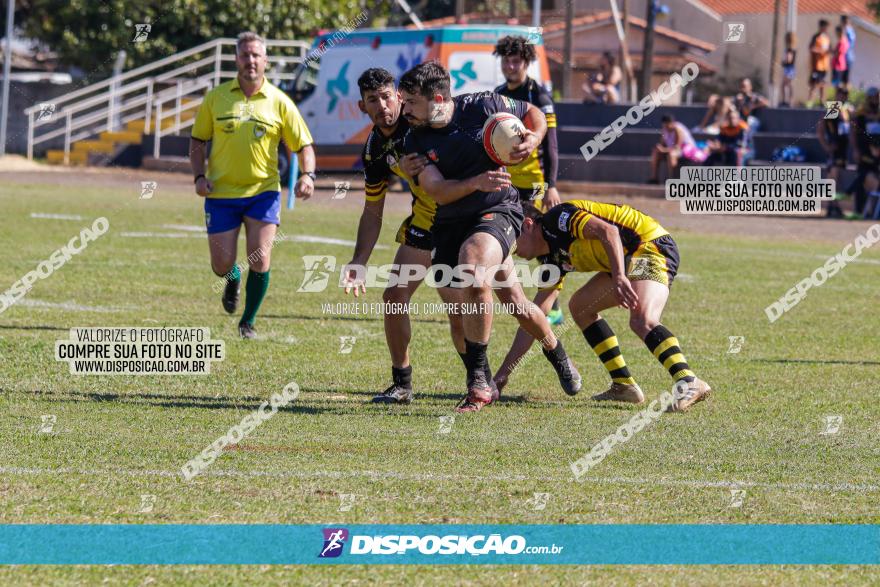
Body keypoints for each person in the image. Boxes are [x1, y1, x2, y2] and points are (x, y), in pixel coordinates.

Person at [399, 61, 582, 412]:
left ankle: (479, 383)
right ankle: (556, 352)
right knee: (500, 304)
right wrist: (474, 182)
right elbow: (436, 189)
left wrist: (534, 139)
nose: (405, 109)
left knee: (472, 268)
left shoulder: (484, 105)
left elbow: (534, 114)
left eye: (411, 102)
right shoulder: (414, 136)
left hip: (497, 209)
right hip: (450, 220)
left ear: (437, 99)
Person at [502, 200, 711, 413]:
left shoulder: (558, 219)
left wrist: (620, 277)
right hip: (624, 260)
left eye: (511, 235)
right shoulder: (548, 259)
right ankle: (624, 385)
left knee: (642, 319)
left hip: (648, 245)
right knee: (580, 307)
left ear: (528, 225)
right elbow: (532, 318)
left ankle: (688, 381)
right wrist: (501, 377)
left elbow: (609, 232)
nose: (510, 246)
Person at [341, 68, 464, 405]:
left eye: (386, 96)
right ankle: (402, 384)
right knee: (394, 297)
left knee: (462, 308)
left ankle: (487, 377)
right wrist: (359, 260)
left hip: (462, 221)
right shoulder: (374, 149)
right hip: (424, 223)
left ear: (398, 95)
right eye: (372, 100)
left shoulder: (423, 122)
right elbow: (372, 210)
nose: (382, 105)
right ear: (362, 107)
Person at [190, 32, 315, 339]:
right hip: (220, 194)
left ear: (265, 61)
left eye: (256, 55)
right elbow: (197, 141)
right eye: (245, 55)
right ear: (237, 59)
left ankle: (248, 321)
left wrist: (308, 176)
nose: (250, 60)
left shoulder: (279, 102)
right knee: (221, 264)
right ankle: (231, 277)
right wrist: (198, 176)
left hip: (263, 193)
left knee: (260, 258)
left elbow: (305, 145)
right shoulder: (216, 98)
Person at [492, 35, 565, 325]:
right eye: (506, 60)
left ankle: (552, 304)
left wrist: (552, 184)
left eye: (516, 60)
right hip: (505, 179)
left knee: (537, 239)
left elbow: (551, 145)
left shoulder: (540, 96)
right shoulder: (497, 94)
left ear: (526, 62)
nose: (511, 65)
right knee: (499, 233)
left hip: (534, 181)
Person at [817, 86, 852, 217]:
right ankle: (833, 206)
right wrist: (826, 146)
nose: (843, 97)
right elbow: (820, 129)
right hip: (835, 148)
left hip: (843, 148)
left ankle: (833, 205)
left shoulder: (845, 109)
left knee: (835, 177)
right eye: (841, 95)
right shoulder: (833, 108)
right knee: (834, 176)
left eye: (845, 95)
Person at [648, 114, 705, 184]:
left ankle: (671, 179)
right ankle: (654, 178)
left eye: (667, 125)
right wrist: (659, 149)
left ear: (672, 123)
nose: (666, 127)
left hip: (687, 150)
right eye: (665, 125)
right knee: (656, 153)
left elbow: (677, 147)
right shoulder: (665, 130)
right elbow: (662, 144)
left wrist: (664, 150)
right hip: (673, 150)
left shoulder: (678, 129)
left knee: (671, 154)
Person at [851, 87, 880, 218]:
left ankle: (872, 212)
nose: (875, 99)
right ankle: (859, 210)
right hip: (864, 152)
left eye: (877, 97)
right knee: (862, 177)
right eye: (873, 97)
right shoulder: (860, 114)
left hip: (877, 153)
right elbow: (853, 133)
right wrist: (856, 150)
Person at [807, 20, 832, 106]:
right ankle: (809, 102)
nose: (826, 29)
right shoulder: (816, 37)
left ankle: (822, 102)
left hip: (824, 66)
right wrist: (820, 51)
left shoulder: (827, 38)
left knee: (822, 84)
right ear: (821, 27)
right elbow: (811, 48)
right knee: (813, 84)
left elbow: (830, 50)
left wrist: (828, 52)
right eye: (825, 27)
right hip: (816, 65)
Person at [831, 25, 850, 89]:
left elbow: (838, 53)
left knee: (837, 85)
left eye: (836, 32)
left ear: (839, 32)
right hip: (840, 65)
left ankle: (838, 98)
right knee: (838, 84)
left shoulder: (842, 41)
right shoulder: (845, 40)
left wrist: (831, 50)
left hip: (838, 65)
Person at [780, 32, 797, 107]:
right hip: (791, 69)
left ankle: (786, 101)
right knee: (789, 85)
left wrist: (783, 62)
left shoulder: (789, 49)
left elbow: (789, 59)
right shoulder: (793, 49)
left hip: (788, 69)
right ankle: (790, 101)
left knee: (784, 85)